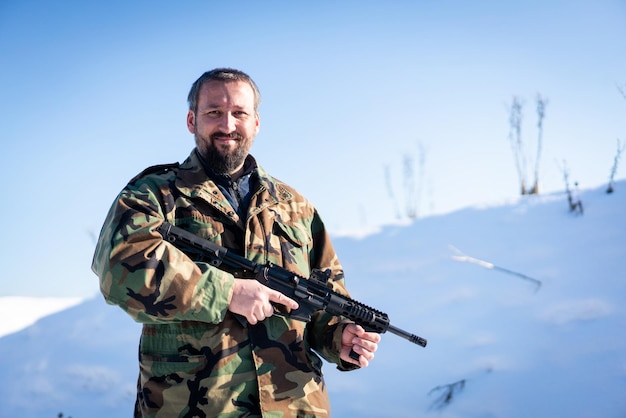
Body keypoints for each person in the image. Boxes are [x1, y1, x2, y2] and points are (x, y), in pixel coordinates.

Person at [92, 68, 380, 418]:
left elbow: (323, 299)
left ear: (256, 122)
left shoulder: (296, 208)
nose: (228, 125)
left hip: (295, 408)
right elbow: (119, 265)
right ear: (191, 120)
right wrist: (226, 292)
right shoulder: (154, 193)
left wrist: (340, 338)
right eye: (214, 112)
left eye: (239, 113)